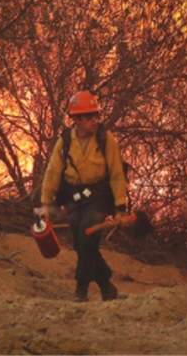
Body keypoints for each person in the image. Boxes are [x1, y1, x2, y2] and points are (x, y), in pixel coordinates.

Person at [37, 90, 129, 302]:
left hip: (98, 198)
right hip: (73, 198)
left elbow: (116, 174)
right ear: (76, 119)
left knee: (87, 236)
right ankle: (107, 286)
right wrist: (45, 207)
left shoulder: (107, 141)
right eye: (88, 116)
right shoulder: (65, 142)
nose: (94, 121)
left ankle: (81, 289)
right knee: (81, 244)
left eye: (96, 115)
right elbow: (52, 173)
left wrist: (120, 207)